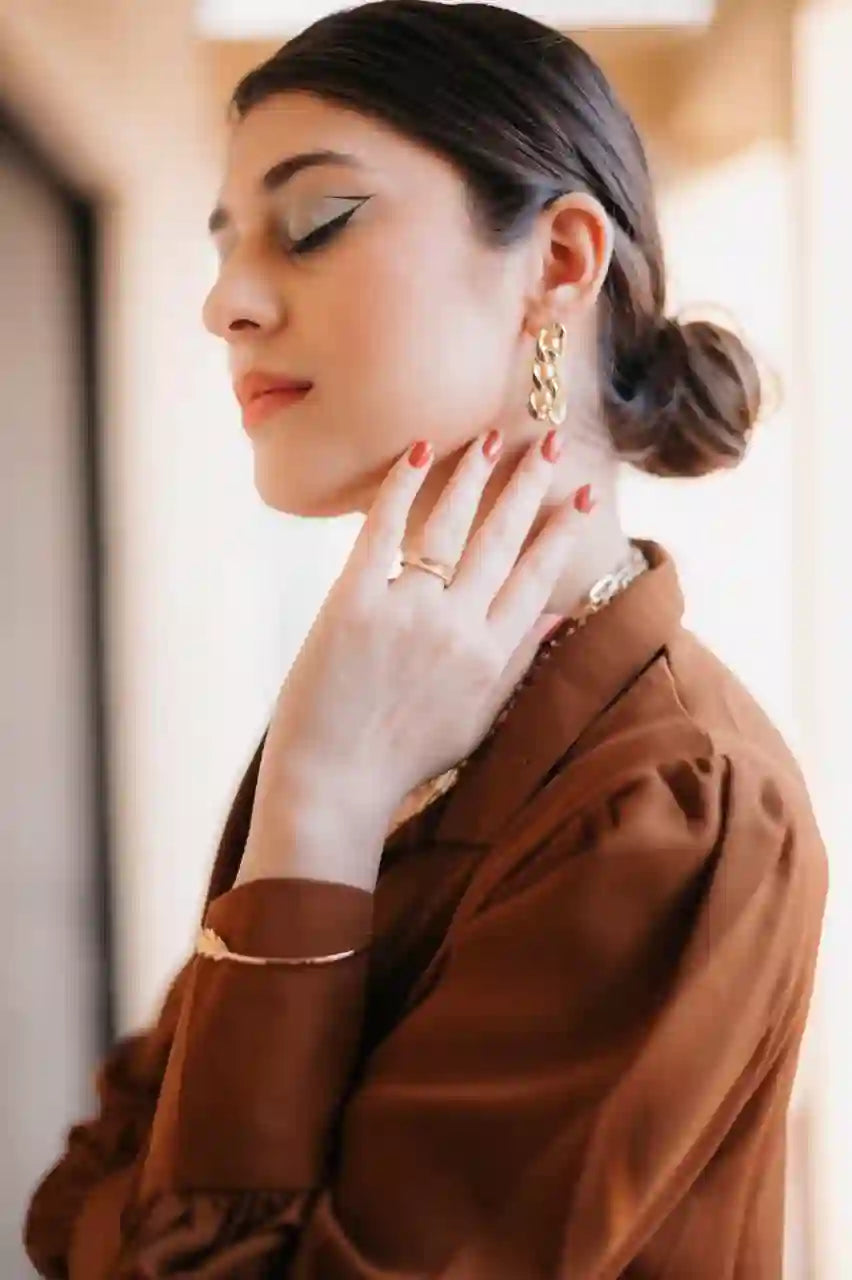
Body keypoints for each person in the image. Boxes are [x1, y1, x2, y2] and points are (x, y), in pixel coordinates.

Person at [25, 2, 827, 1276]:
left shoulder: (678, 801)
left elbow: (132, 1222)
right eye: (225, 245)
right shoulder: (367, 706)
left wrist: (319, 809)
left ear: (562, 260)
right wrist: (316, 795)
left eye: (317, 224)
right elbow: (73, 1199)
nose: (224, 302)